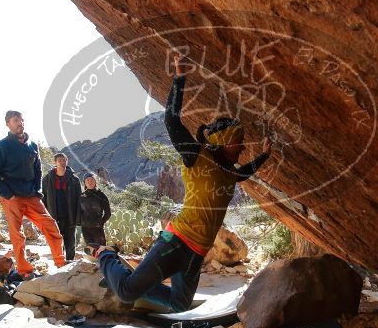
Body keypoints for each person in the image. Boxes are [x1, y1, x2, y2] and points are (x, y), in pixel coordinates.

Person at [93, 54, 272, 312]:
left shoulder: (227, 171)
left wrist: (264, 156)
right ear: (223, 141)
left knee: (180, 305)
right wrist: (179, 77)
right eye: (238, 142)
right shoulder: (197, 156)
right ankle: (106, 255)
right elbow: (172, 121)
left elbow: (243, 174)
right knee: (127, 293)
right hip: (176, 241)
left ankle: (124, 278)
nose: (243, 147)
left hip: (197, 252)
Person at [0, 111, 66, 279]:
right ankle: (25, 271)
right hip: (12, 197)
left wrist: (37, 192)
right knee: (17, 235)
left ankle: (61, 263)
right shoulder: (1, 146)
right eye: (16, 120)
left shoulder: (32, 145)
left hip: (31, 196)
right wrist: (8, 194)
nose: (20, 123)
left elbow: (38, 170)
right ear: (8, 124)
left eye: (22, 120)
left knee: (51, 226)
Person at [42, 153, 81, 261]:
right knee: (57, 243)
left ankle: (70, 264)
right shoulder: (47, 179)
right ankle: (60, 264)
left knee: (70, 243)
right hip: (54, 217)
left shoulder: (74, 179)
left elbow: (79, 199)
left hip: (70, 216)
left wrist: (78, 217)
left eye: (64, 160)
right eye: (60, 160)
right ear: (55, 162)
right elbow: (44, 199)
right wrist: (45, 217)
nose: (62, 162)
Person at [78, 173, 111, 247]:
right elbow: (79, 212)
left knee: (101, 249)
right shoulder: (81, 196)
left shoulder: (101, 195)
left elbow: (108, 213)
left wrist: (101, 222)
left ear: (95, 181)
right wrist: (82, 222)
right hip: (85, 229)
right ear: (84, 183)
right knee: (91, 249)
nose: (90, 182)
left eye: (92, 180)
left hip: (98, 228)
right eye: (87, 180)